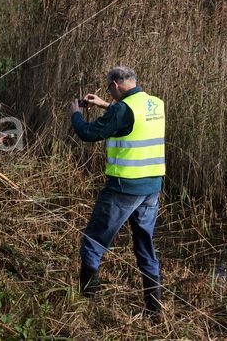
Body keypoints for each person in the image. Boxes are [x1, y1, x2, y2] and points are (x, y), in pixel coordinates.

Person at [70, 66, 165, 316]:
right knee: (145, 246)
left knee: (93, 241)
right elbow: (129, 117)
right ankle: (154, 310)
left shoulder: (122, 110)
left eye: (109, 91)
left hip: (124, 188)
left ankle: (84, 304)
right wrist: (104, 104)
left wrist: (76, 115)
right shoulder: (155, 104)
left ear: (114, 85)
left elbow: (88, 133)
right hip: (152, 188)